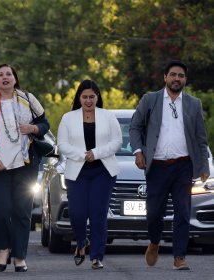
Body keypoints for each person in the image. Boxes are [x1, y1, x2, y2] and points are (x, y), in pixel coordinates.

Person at [129, 60, 210, 270]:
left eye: (181, 76)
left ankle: (179, 256)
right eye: (173, 75)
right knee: (154, 213)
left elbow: (201, 139)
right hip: (157, 167)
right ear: (165, 77)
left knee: (183, 212)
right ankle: (154, 242)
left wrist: (204, 166)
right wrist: (138, 152)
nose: (177, 79)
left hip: (183, 166)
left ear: (185, 80)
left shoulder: (194, 103)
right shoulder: (151, 100)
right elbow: (135, 127)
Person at [0, 63, 49, 272]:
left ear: (15, 79)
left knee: (22, 211)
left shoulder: (28, 99)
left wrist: (33, 128)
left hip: (26, 165)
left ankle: (19, 256)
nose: (5, 77)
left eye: (9, 74)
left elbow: (45, 124)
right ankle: (3, 248)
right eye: (1, 75)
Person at [57, 79, 122, 269]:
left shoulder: (108, 116)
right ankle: (81, 242)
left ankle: (96, 256)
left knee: (98, 214)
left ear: (97, 97)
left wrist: (97, 153)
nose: (88, 101)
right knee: (77, 214)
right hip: (77, 172)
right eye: (84, 97)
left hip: (103, 171)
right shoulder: (68, 118)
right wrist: (83, 155)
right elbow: (62, 144)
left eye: (92, 97)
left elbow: (117, 141)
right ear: (79, 98)